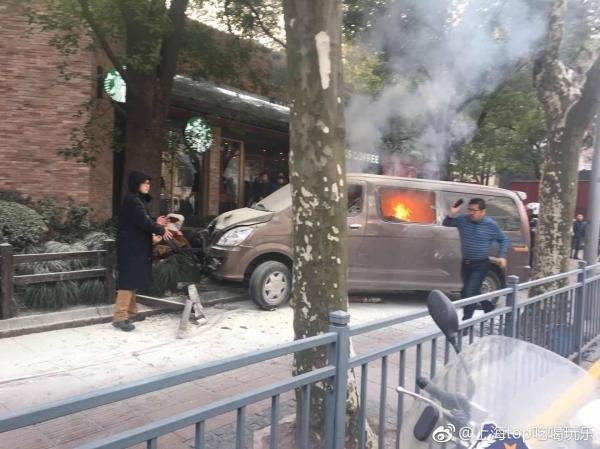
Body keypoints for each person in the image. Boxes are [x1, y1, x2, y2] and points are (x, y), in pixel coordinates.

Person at [113, 171, 173, 332]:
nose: (148, 185)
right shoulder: (132, 200)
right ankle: (120, 317)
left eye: (149, 183)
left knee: (133, 278)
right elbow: (143, 222)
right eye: (145, 183)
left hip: (134, 246)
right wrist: (159, 228)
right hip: (130, 248)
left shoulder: (136, 200)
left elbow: (143, 220)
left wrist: (156, 221)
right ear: (136, 184)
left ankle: (131, 312)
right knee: (128, 279)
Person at [443, 198, 509, 321]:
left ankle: (466, 322)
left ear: (483, 211)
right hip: (466, 264)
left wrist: (502, 255)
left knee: (469, 292)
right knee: (467, 292)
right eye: (469, 209)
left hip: (481, 265)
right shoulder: (463, 220)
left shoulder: (490, 225)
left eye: (474, 210)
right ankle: (488, 306)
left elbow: (503, 239)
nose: (471, 213)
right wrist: (452, 212)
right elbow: (446, 223)